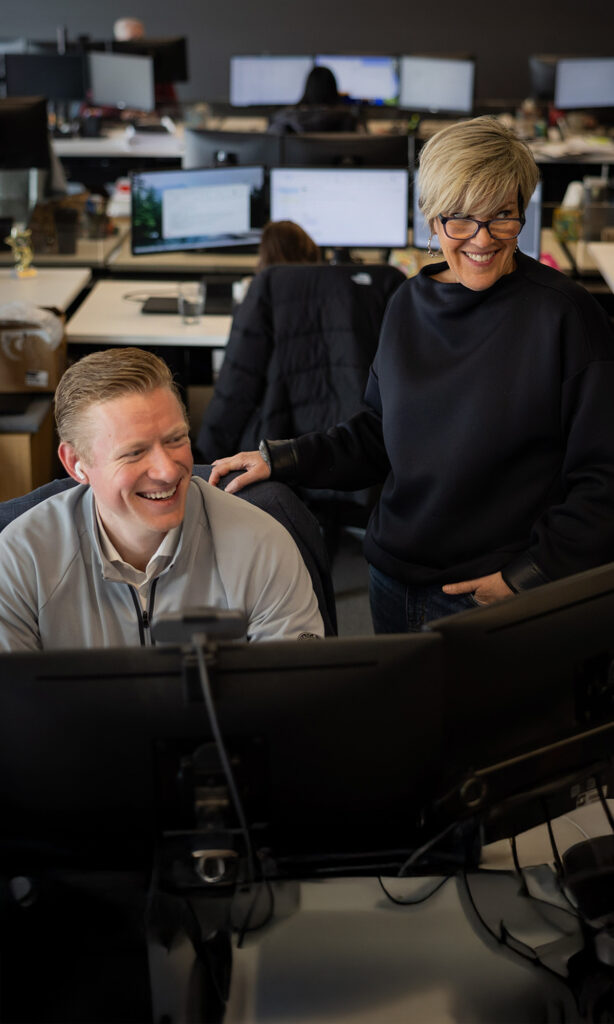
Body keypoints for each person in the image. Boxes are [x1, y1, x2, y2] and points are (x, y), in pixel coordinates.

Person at [209, 115, 614, 633]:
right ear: (431, 219)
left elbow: (604, 479)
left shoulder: (567, 317)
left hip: (491, 595)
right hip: (391, 579)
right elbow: (378, 434)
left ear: (523, 213)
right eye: (460, 220)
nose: (482, 239)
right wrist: (281, 459)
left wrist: (527, 577)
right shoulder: (407, 303)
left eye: (502, 217)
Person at [0, 348, 324, 651]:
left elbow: (296, 694)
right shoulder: (21, 558)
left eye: (175, 439)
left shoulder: (261, 544)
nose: (168, 472)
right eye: (135, 452)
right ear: (75, 464)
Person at [268, 65, 362, 134]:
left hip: (295, 161)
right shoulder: (347, 118)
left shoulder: (283, 118)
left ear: (308, 88)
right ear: (333, 89)